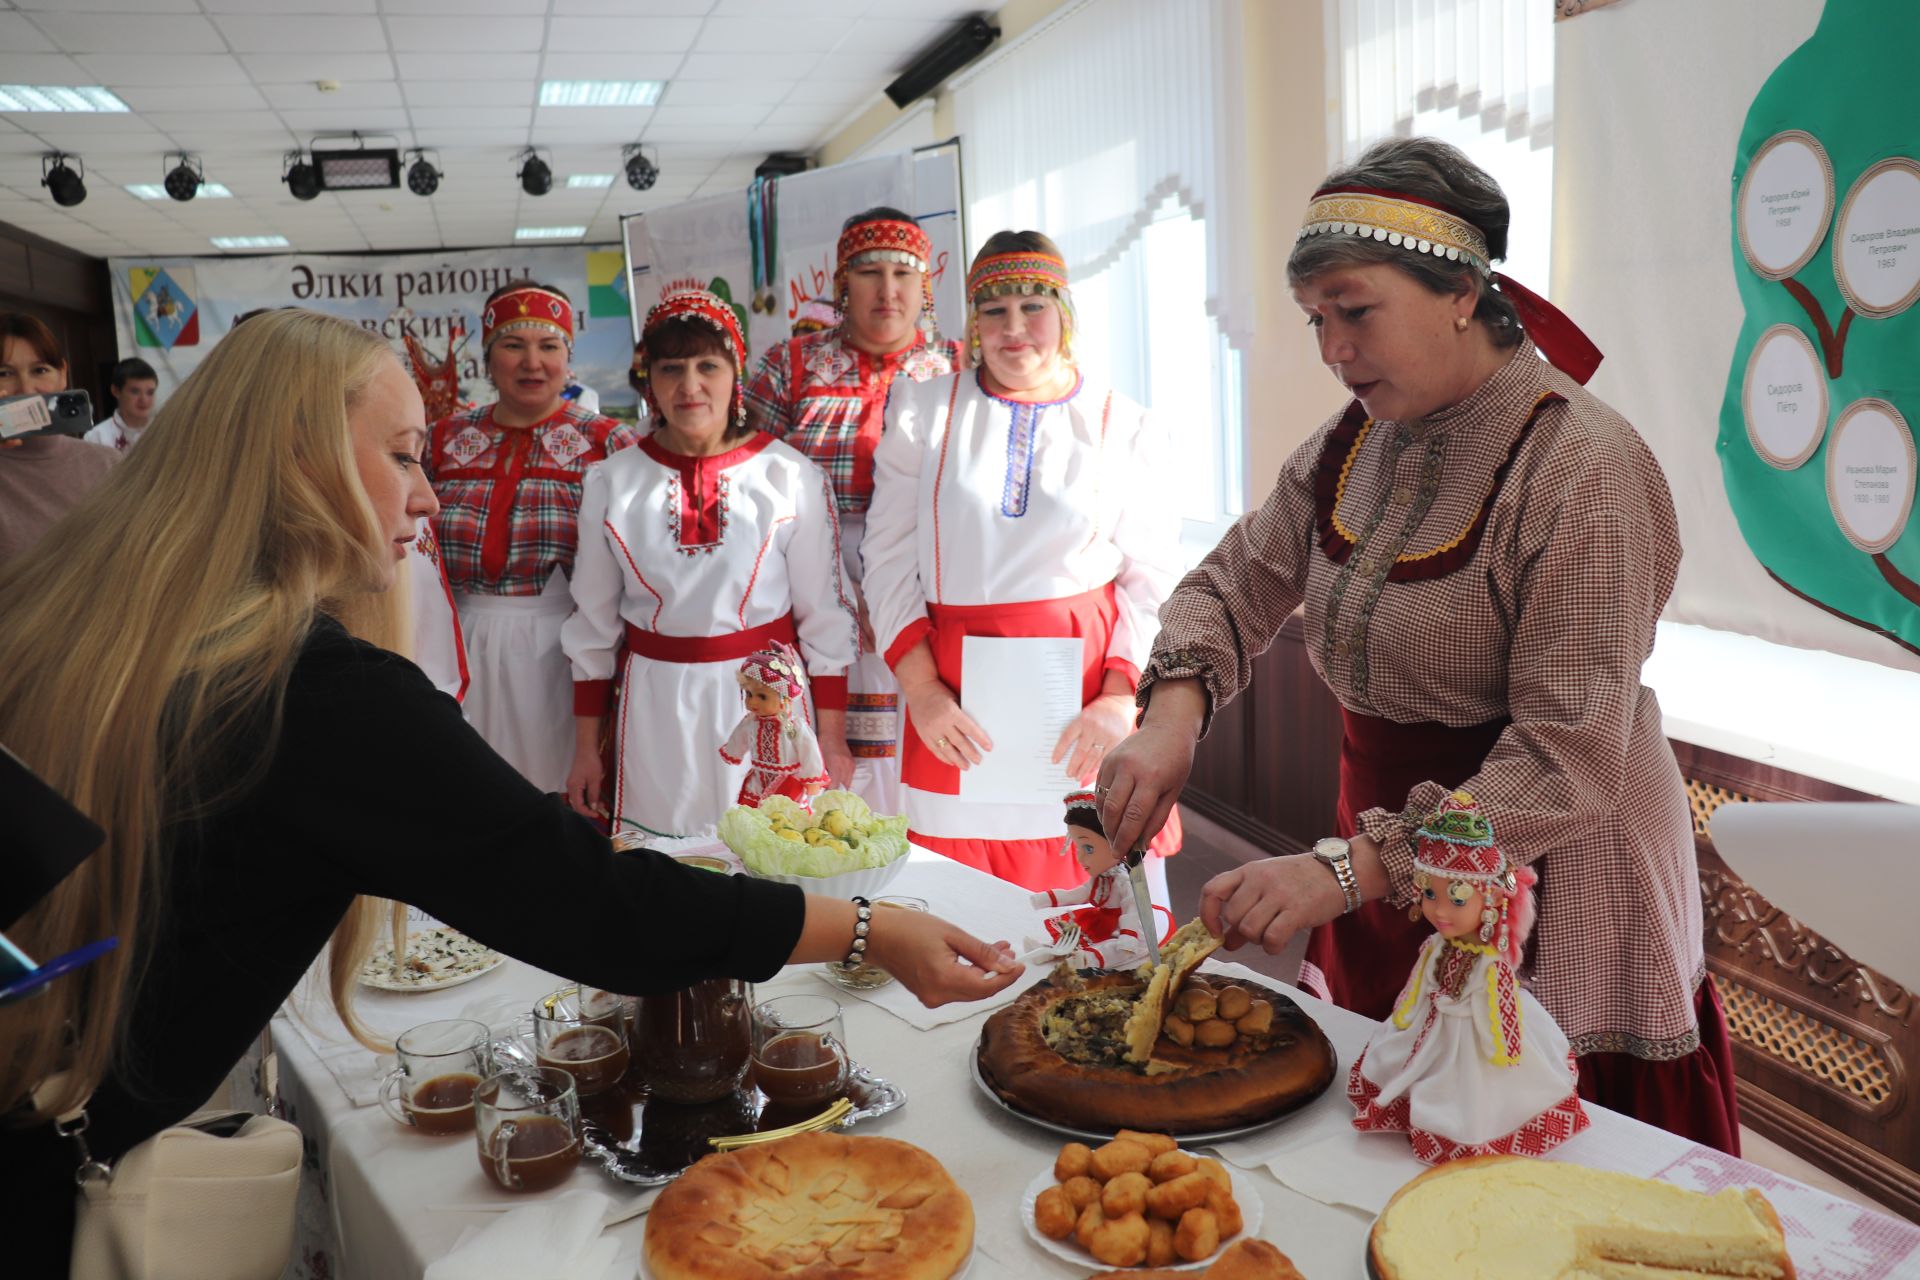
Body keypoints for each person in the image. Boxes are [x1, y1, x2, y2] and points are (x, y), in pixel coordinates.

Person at [0, 309, 1021, 1273]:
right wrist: (864, 927)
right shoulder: (308, 692)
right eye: (403, 456)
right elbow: (589, 904)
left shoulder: (98, 621)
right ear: (297, 460)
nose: (429, 496)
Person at [1100, 137, 1737, 1152]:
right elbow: (1229, 582)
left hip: (1552, 859)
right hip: (1384, 846)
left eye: (1356, 311)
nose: (1334, 351)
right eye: (1318, 321)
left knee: (1529, 1177)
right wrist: (1172, 717)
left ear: (1461, 291)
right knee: (1388, 1147)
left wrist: (1356, 868)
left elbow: (1568, 752)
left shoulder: (1581, 466)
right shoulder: (1353, 446)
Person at [862, 231, 1184, 900]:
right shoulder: (923, 412)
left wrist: (1121, 698)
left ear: (1065, 314)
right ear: (971, 322)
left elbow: (1151, 580)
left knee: (1100, 908)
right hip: (956, 708)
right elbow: (887, 562)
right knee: (956, 910)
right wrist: (922, 693)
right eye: (993, 309)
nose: (1013, 329)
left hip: (1086, 711)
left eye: (1032, 306)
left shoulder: (1122, 424)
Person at [562, 286, 856, 838]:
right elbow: (592, 628)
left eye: (707, 366)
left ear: (735, 375)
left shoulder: (789, 477)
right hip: (655, 704)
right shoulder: (612, 481)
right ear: (649, 380)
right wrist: (586, 750)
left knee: (771, 856)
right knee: (662, 867)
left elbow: (825, 618)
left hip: (771, 707)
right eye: (671, 368)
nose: (689, 385)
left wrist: (832, 740)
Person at [743, 208, 961, 816]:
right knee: (828, 776)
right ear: (843, 284)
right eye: (869, 273)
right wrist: (837, 592)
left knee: (927, 766)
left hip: (930, 589)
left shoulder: (960, 368)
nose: (888, 290)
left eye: (903, 273)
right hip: (810, 585)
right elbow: (748, 490)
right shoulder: (788, 368)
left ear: (926, 286)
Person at [426, 282, 642, 792]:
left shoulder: (609, 442)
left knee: (547, 793)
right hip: (455, 639)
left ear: (569, 358)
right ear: (487, 356)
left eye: (548, 346)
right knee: (465, 788)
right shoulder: (444, 439)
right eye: (512, 344)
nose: (532, 362)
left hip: (561, 650)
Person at [0, 312, 116, 567]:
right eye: (5, 373)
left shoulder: (108, 464)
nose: (26, 389)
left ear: (63, 374)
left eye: (40, 370)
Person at [85, 356, 159, 452]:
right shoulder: (96, 437)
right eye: (135, 391)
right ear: (115, 391)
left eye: (150, 392)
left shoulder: (167, 431)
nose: (144, 400)